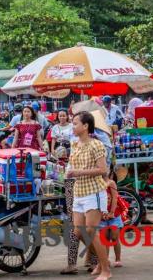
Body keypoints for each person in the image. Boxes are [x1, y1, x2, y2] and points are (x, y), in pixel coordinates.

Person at [65, 111, 111, 280]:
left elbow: (103, 170)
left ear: (85, 126)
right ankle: (101, 259)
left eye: (75, 123)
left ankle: (106, 269)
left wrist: (78, 172)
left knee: (91, 230)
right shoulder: (74, 144)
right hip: (79, 192)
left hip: (94, 192)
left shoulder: (96, 144)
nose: (73, 126)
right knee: (79, 231)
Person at [96, 176, 123, 273]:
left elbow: (115, 198)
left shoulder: (111, 183)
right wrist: (100, 214)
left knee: (115, 238)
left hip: (114, 215)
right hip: (102, 216)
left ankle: (118, 259)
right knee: (105, 239)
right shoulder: (95, 184)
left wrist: (111, 212)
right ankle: (105, 260)